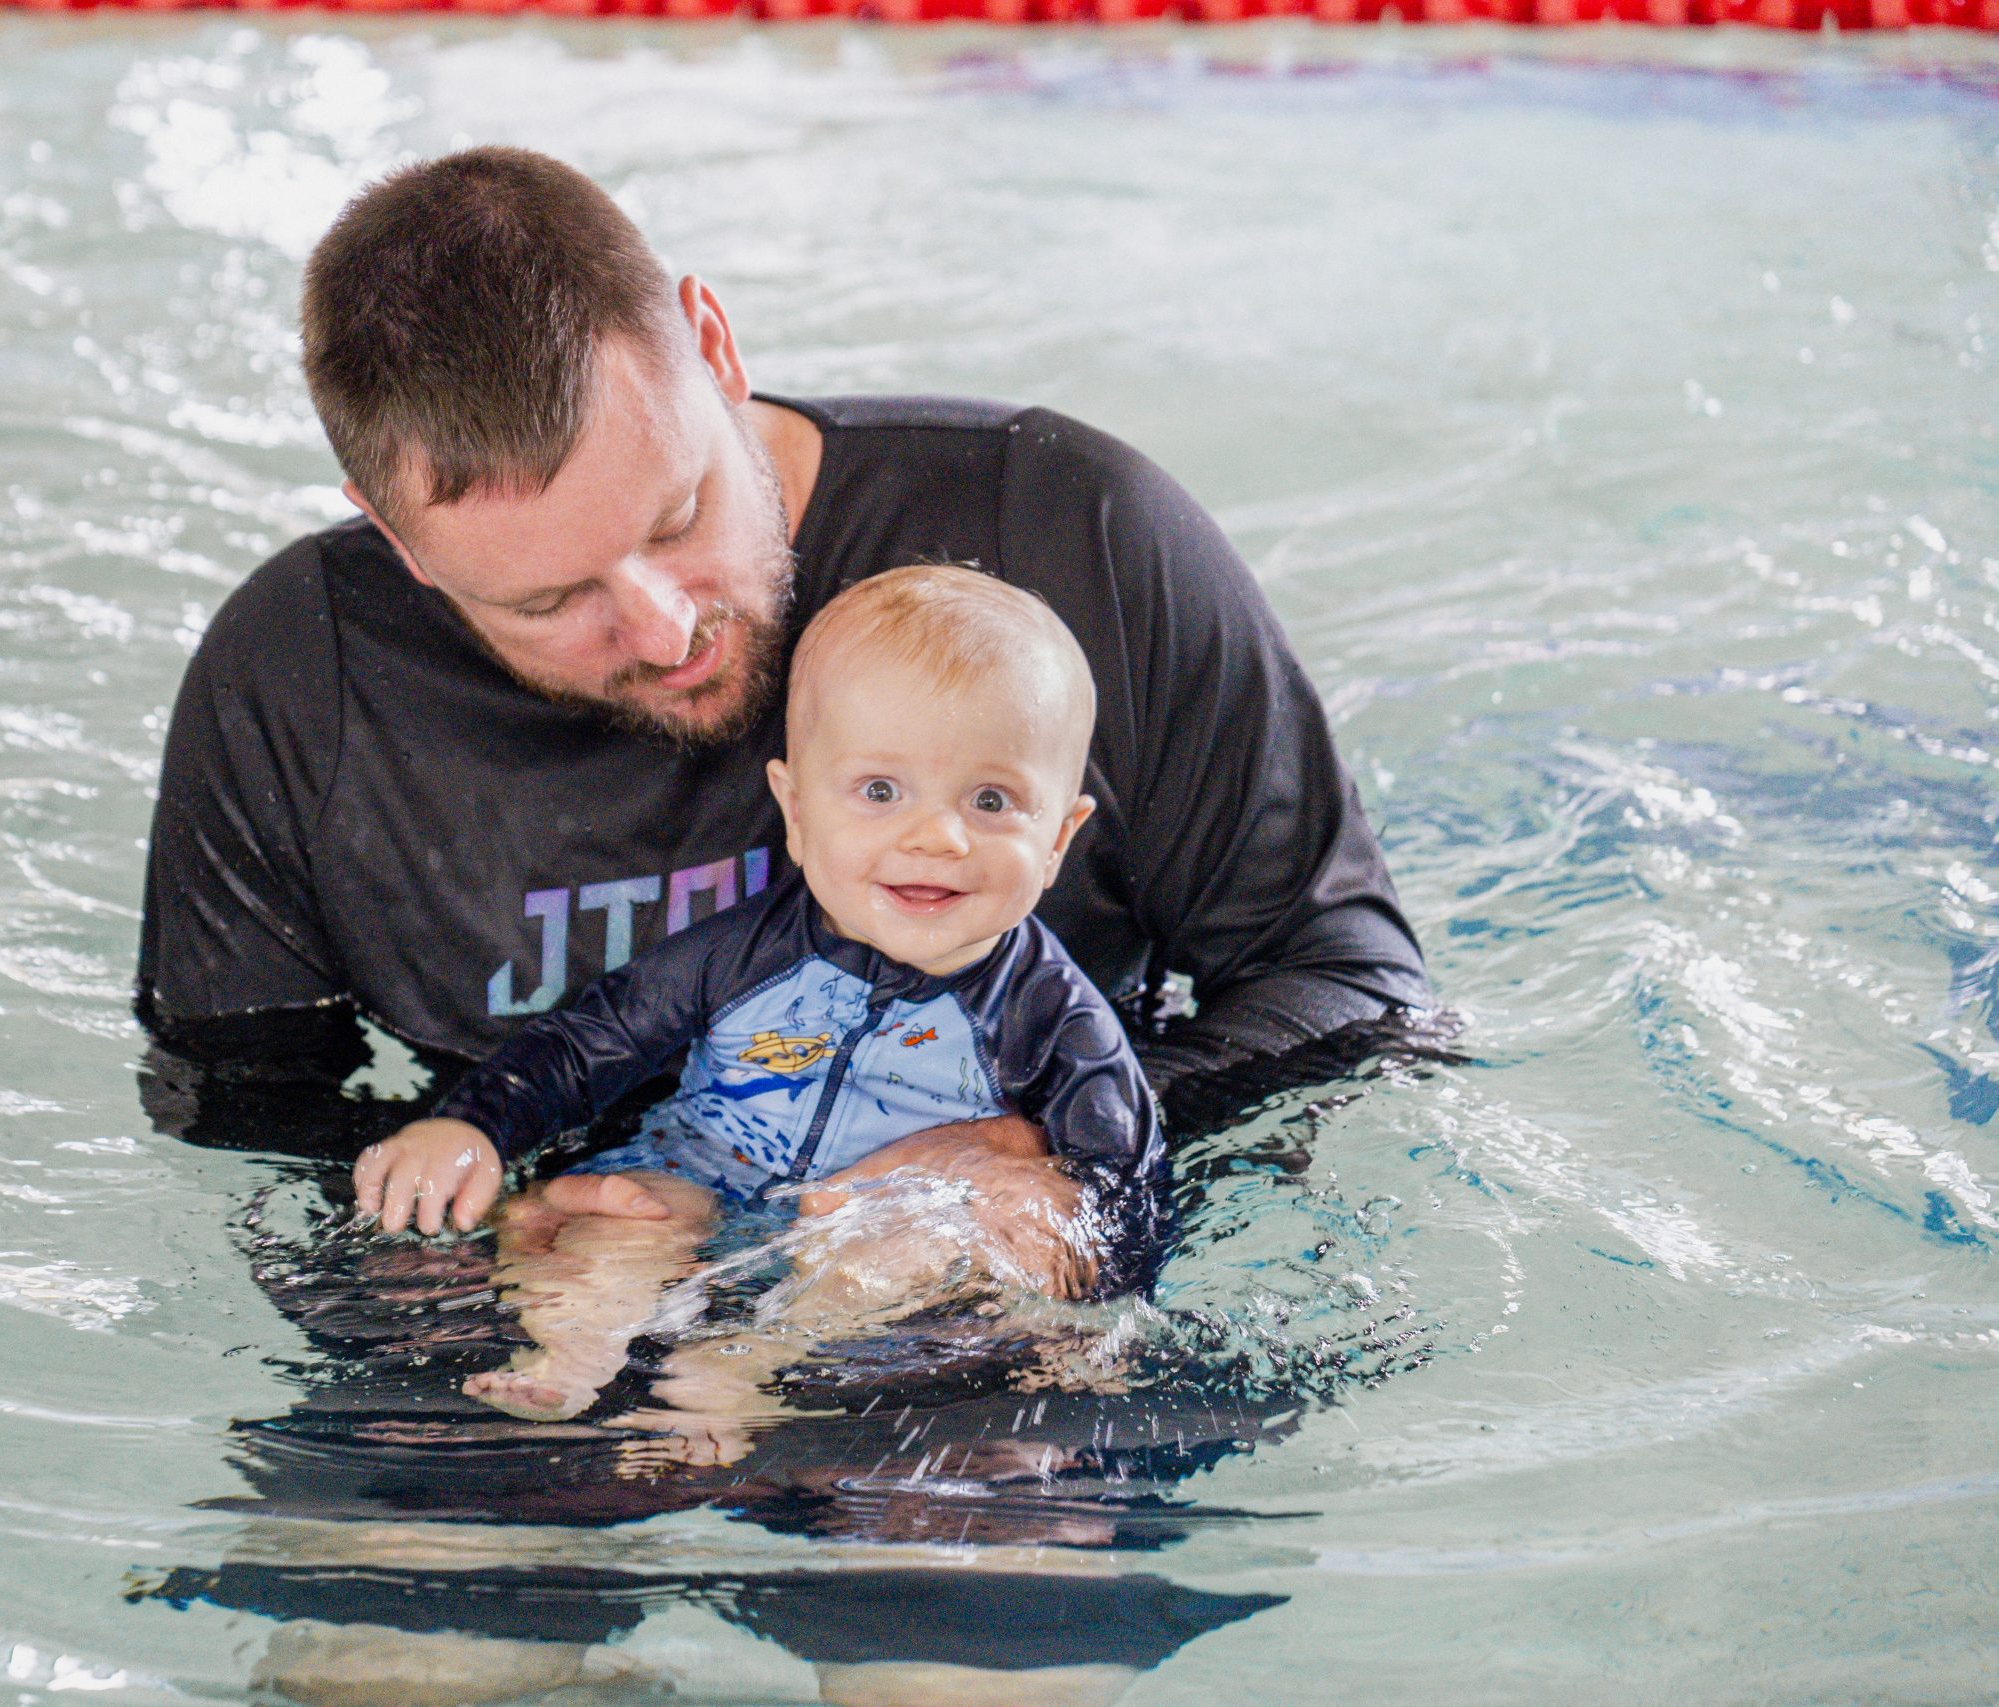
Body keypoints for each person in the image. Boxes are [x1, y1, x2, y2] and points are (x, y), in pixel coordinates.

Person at [137, 146, 1430, 1287]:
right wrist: (473, 1249)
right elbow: (246, 1122)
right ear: (400, 541)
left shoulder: (1065, 540)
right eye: (549, 598)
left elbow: (1355, 986)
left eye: (678, 516)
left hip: (974, 1283)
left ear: (715, 343)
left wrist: (1040, 1147)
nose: (663, 628)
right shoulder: (298, 684)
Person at [353, 566, 1157, 1429]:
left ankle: (742, 1370)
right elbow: (596, 1039)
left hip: (866, 1224)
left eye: (992, 800)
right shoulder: (744, 952)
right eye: (880, 791)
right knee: (625, 1217)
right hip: (703, 1170)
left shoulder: (1053, 1018)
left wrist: (1086, 1312)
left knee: (914, 1249)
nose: (937, 836)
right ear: (797, 808)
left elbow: (1126, 1183)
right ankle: (574, 1352)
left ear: (1058, 840)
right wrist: (475, 1122)